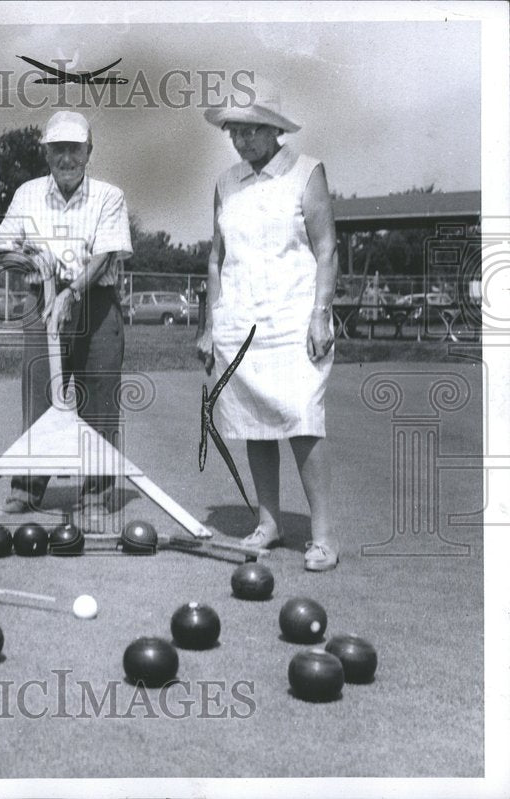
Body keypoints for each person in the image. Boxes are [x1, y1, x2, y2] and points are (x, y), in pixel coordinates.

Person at [195, 84, 340, 571]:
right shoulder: (226, 182)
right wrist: (210, 326)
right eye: (234, 130)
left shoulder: (306, 171)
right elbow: (215, 259)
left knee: (302, 418)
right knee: (255, 421)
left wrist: (320, 313)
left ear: (276, 129)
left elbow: (326, 249)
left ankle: (321, 537)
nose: (240, 139)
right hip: (240, 322)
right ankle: (269, 522)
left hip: (295, 318)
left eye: (251, 128)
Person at [0, 110, 133, 525]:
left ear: (89, 150)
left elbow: (106, 252)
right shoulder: (27, 194)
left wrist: (72, 291)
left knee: (99, 400)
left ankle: (96, 490)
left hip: (96, 302)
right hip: (40, 302)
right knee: (39, 395)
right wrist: (33, 257)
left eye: (74, 148)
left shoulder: (109, 195)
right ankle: (28, 486)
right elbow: (2, 250)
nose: (66, 157)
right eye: (58, 149)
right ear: (47, 153)